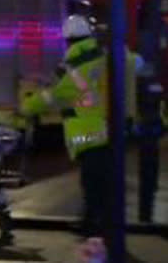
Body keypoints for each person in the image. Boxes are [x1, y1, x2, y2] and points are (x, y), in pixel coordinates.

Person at [21, 14, 137, 237]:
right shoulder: (105, 57)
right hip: (110, 130)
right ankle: (97, 223)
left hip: (89, 135)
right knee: (103, 182)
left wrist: (26, 107)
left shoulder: (73, 68)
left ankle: (93, 227)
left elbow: (52, 97)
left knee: (92, 183)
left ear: (68, 40)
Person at [135, 65, 168, 222]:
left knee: (146, 170)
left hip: (145, 133)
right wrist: (161, 129)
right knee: (150, 168)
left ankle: (145, 211)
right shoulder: (158, 89)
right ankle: (147, 207)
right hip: (152, 133)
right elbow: (164, 114)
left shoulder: (138, 90)